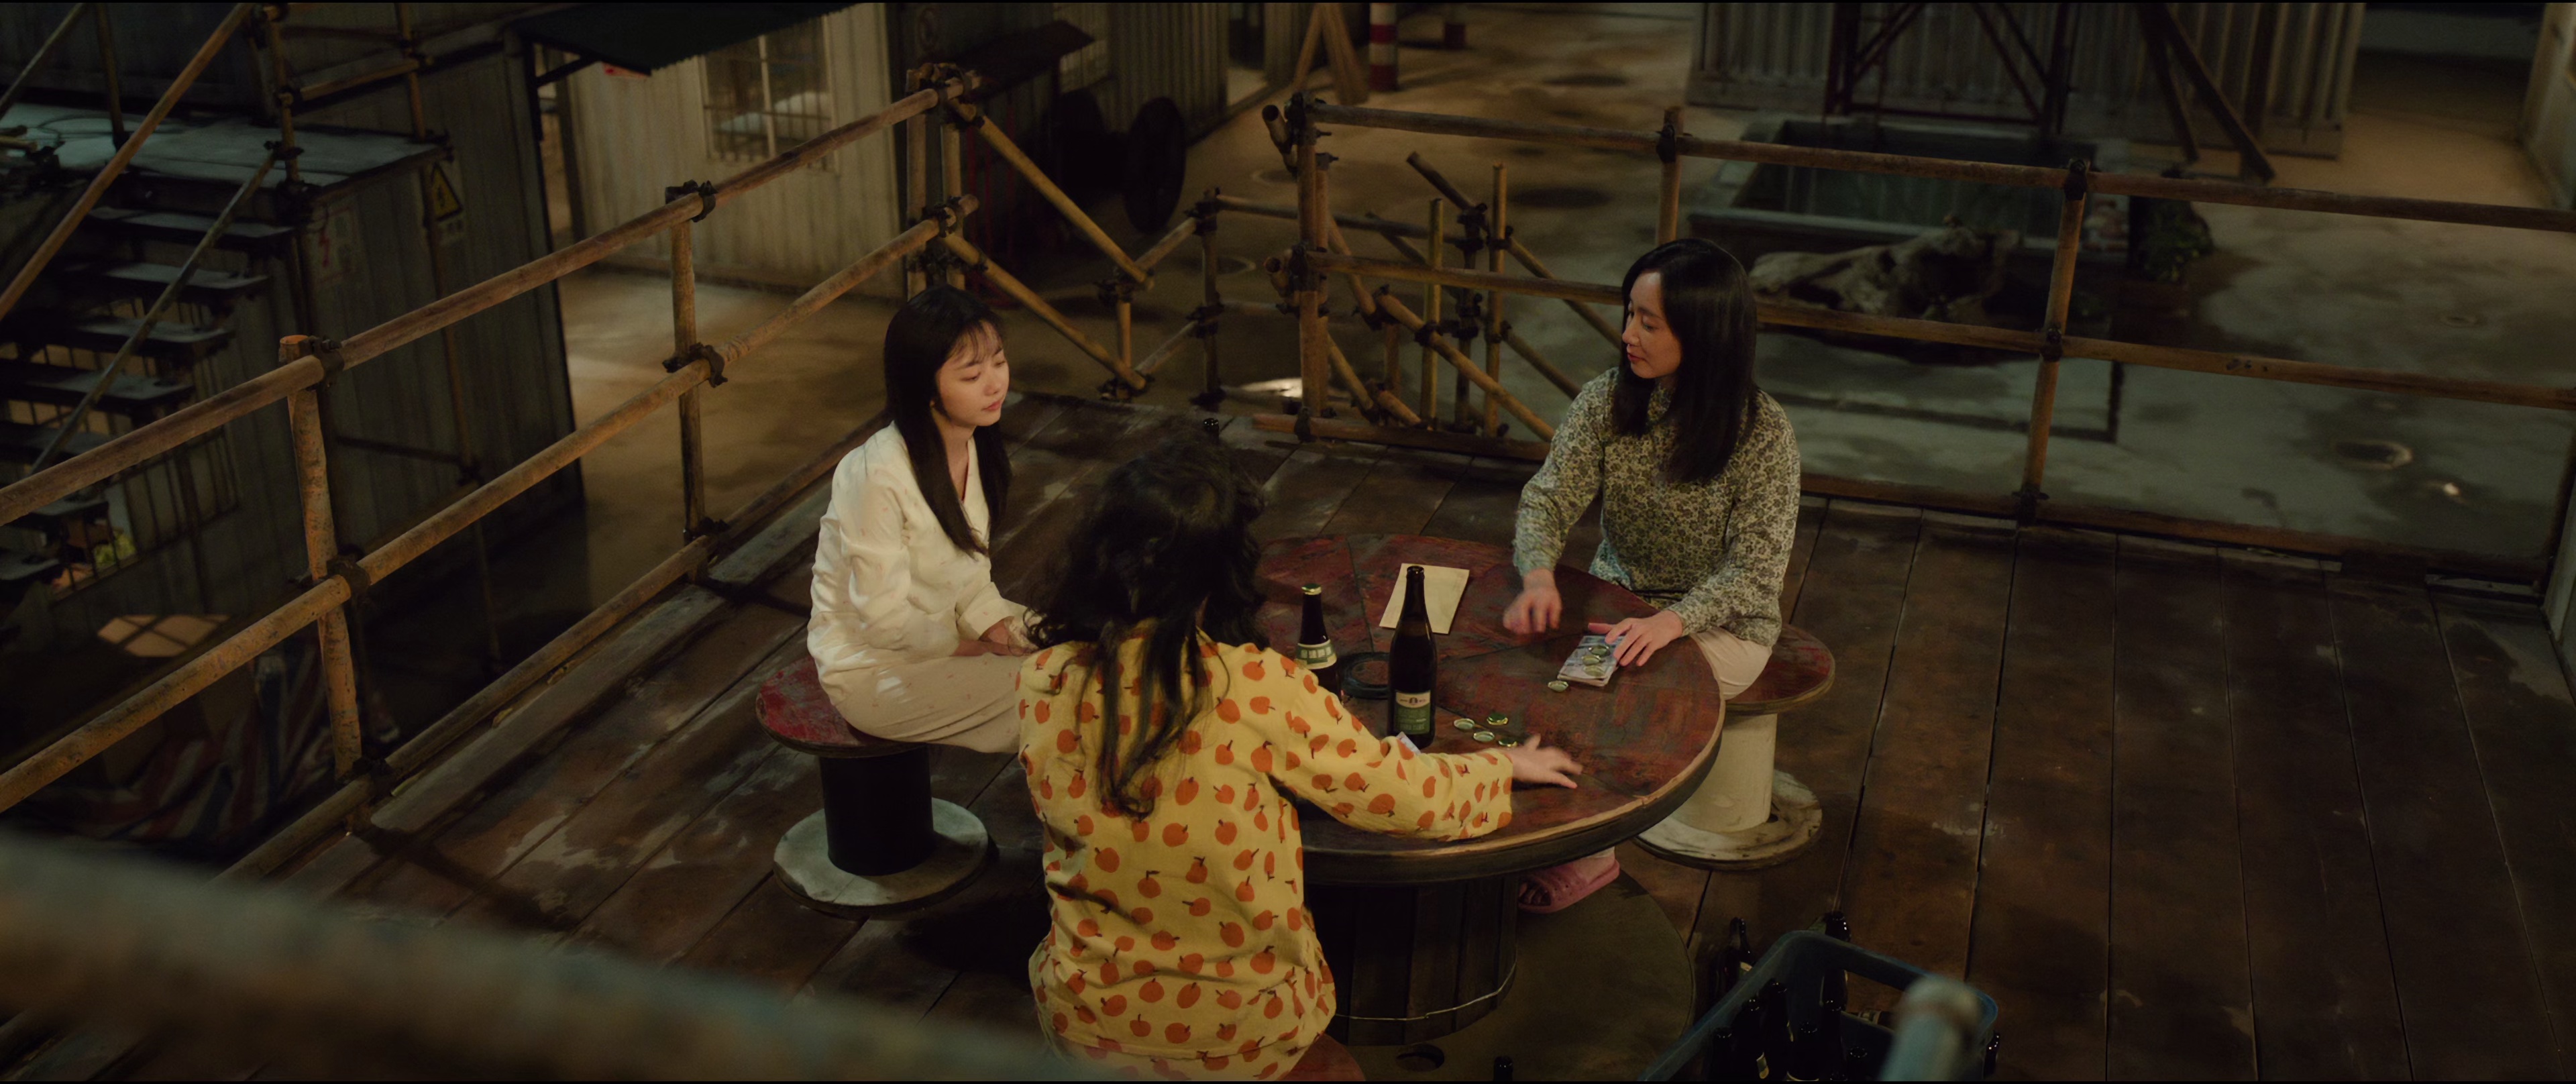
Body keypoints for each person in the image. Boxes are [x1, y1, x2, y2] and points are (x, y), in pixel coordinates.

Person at [1020, 434, 1585, 1080]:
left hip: (1085, 1018)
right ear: (1225, 573)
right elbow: (1409, 800)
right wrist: (1499, 767)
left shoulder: (1044, 679)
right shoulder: (1255, 685)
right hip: (1235, 1034)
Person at [1503, 238, 1803, 909]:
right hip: (1624, 604)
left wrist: (1672, 622)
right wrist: (1539, 574)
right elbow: (1547, 498)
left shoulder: (1762, 434)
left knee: (1622, 694)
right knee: (1552, 681)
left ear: (1704, 334)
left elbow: (1755, 572)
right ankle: (1548, 829)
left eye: (1649, 322)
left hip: (1725, 625)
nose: (1627, 335)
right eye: (1629, 314)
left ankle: (1592, 858)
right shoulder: (1608, 401)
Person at [807, 286, 1031, 753]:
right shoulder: (877, 474)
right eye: (973, 375)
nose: (995, 384)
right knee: (1059, 693)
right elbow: (884, 621)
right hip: (876, 670)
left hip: (947, 635)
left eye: (999, 362)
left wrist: (996, 627)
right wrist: (976, 649)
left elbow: (970, 576)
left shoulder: (973, 444)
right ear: (925, 388)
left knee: (1089, 655)